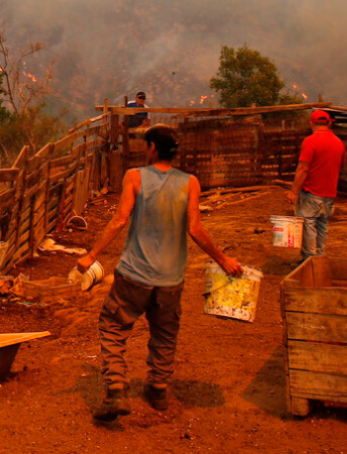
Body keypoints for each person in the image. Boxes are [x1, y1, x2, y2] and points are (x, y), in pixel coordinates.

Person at [76, 124, 243, 420]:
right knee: (165, 333)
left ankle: (117, 388)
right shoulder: (190, 183)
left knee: (113, 325)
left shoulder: (135, 177)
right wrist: (222, 260)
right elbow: (195, 229)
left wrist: (91, 255)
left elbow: (118, 220)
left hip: (134, 275)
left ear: (152, 147)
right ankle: (158, 388)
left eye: (145, 144)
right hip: (170, 279)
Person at [287, 109, 346, 260]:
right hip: (329, 194)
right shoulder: (339, 143)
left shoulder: (310, 141)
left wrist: (294, 191)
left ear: (311, 123)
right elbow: (342, 165)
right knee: (322, 227)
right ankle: (320, 259)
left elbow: (303, 168)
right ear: (328, 123)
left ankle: (309, 261)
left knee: (308, 226)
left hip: (311, 193)